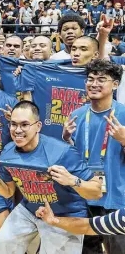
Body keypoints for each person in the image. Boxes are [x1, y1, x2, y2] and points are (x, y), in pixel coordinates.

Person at [0, 101, 102, 254]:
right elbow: (7, 192)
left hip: (65, 215)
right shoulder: (8, 151)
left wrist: (73, 181)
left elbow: (97, 191)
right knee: (2, 244)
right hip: (30, 208)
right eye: (13, 124)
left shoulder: (62, 152)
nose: (17, 130)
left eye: (24, 124)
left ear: (38, 126)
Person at [62, 59, 125, 254]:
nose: (94, 83)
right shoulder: (77, 115)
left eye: (101, 79)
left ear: (115, 84)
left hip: (116, 199)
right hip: (84, 196)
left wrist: (124, 140)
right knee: (88, 251)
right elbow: (72, 158)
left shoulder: (123, 114)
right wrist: (66, 139)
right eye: (90, 79)